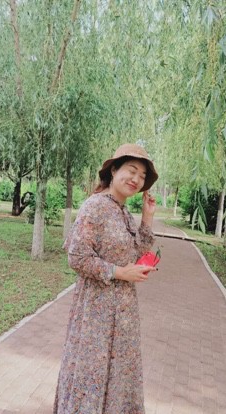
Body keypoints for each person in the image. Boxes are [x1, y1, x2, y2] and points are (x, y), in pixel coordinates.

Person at [54, 143, 159, 414]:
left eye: (142, 176)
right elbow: (77, 257)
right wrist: (120, 272)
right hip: (95, 311)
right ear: (114, 170)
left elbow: (137, 253)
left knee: (119, 372)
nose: (136, 179)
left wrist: (147, 218)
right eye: (131, 170)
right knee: (92, 370)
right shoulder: (95, 206)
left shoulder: (124, 213)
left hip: (123, 311)